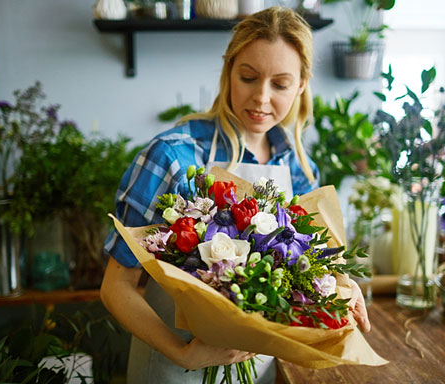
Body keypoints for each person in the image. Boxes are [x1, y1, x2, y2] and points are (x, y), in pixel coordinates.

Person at [101, 6, 371, 383]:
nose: (261, 97)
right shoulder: (174, 155)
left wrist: (341, 283)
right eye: (248, 77)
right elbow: (117, 286)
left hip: (259, 369)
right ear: (228, 72)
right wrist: (182, 352)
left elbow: (314, 266)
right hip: (173, 366)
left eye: (280, 84)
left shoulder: (298, 168)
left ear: (301, 86)